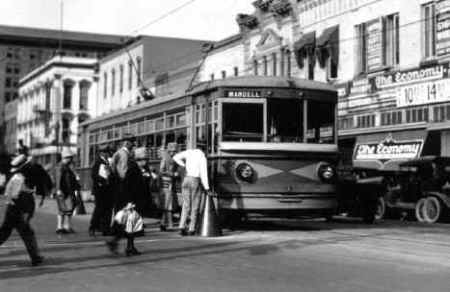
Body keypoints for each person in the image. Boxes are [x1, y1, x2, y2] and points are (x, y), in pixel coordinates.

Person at [0, 154, 50, 266]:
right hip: (18, 209)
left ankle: (35, 257)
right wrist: (25, 211)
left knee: (5, 233)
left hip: (13, 209)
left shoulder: (17, 175)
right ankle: (35, 258)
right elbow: (15, 195)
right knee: (26, 233)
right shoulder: (19, 177)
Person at [107, 134, 143, 256]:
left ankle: (129, 245)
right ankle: (120, 243)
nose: (134, 145)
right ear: (127, 143)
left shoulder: (119, 154)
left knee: (127, 219)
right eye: (132, 142)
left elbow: (113, 170)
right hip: (126, 192)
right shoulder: (124, 155)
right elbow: (123, 174)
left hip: (122, 191)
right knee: (127, 218)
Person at [173, 146, 210, 236]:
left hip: (186, 179)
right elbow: (203, 172)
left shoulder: (189, 152)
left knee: (186, 205)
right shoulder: (202, 156)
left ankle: (181, 226)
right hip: (195, 180)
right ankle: (191, 228)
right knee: (195, 205)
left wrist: (183, 165)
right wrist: (207, 187)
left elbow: (175, 157)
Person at [89, 144, 113, 236]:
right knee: (99, 209)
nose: (108, 154)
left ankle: (106, 229)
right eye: (106, 152)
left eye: (108, 152)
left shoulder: (108, 162)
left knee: (108, 210)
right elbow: (94, 175)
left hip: (108, 189)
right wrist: (103, 180)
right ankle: (93, 227)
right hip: (100, 189)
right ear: (102, 153)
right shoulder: (97, 162)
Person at [55, 148, 80, 234]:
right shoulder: (60, 167)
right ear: (65, 157)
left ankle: (66, 226)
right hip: (63, 191)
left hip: (68, 191)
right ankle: (60, 227)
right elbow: (58, 179)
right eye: (70, 158)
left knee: (68, 209)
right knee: (63, 209)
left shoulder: (67, 167)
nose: (71, 159)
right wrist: (58, 189)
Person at [159, 142, 178, 231]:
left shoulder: (170, 158)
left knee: (166, 204)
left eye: (175, 151)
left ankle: (163, 223)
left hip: (168, 183)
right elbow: (161, 171)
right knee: (168, 204)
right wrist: (173, 174)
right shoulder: (166, 158)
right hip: (166, 184)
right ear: (169, 150)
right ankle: (170, 225)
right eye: (173, 151)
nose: (174, 153)